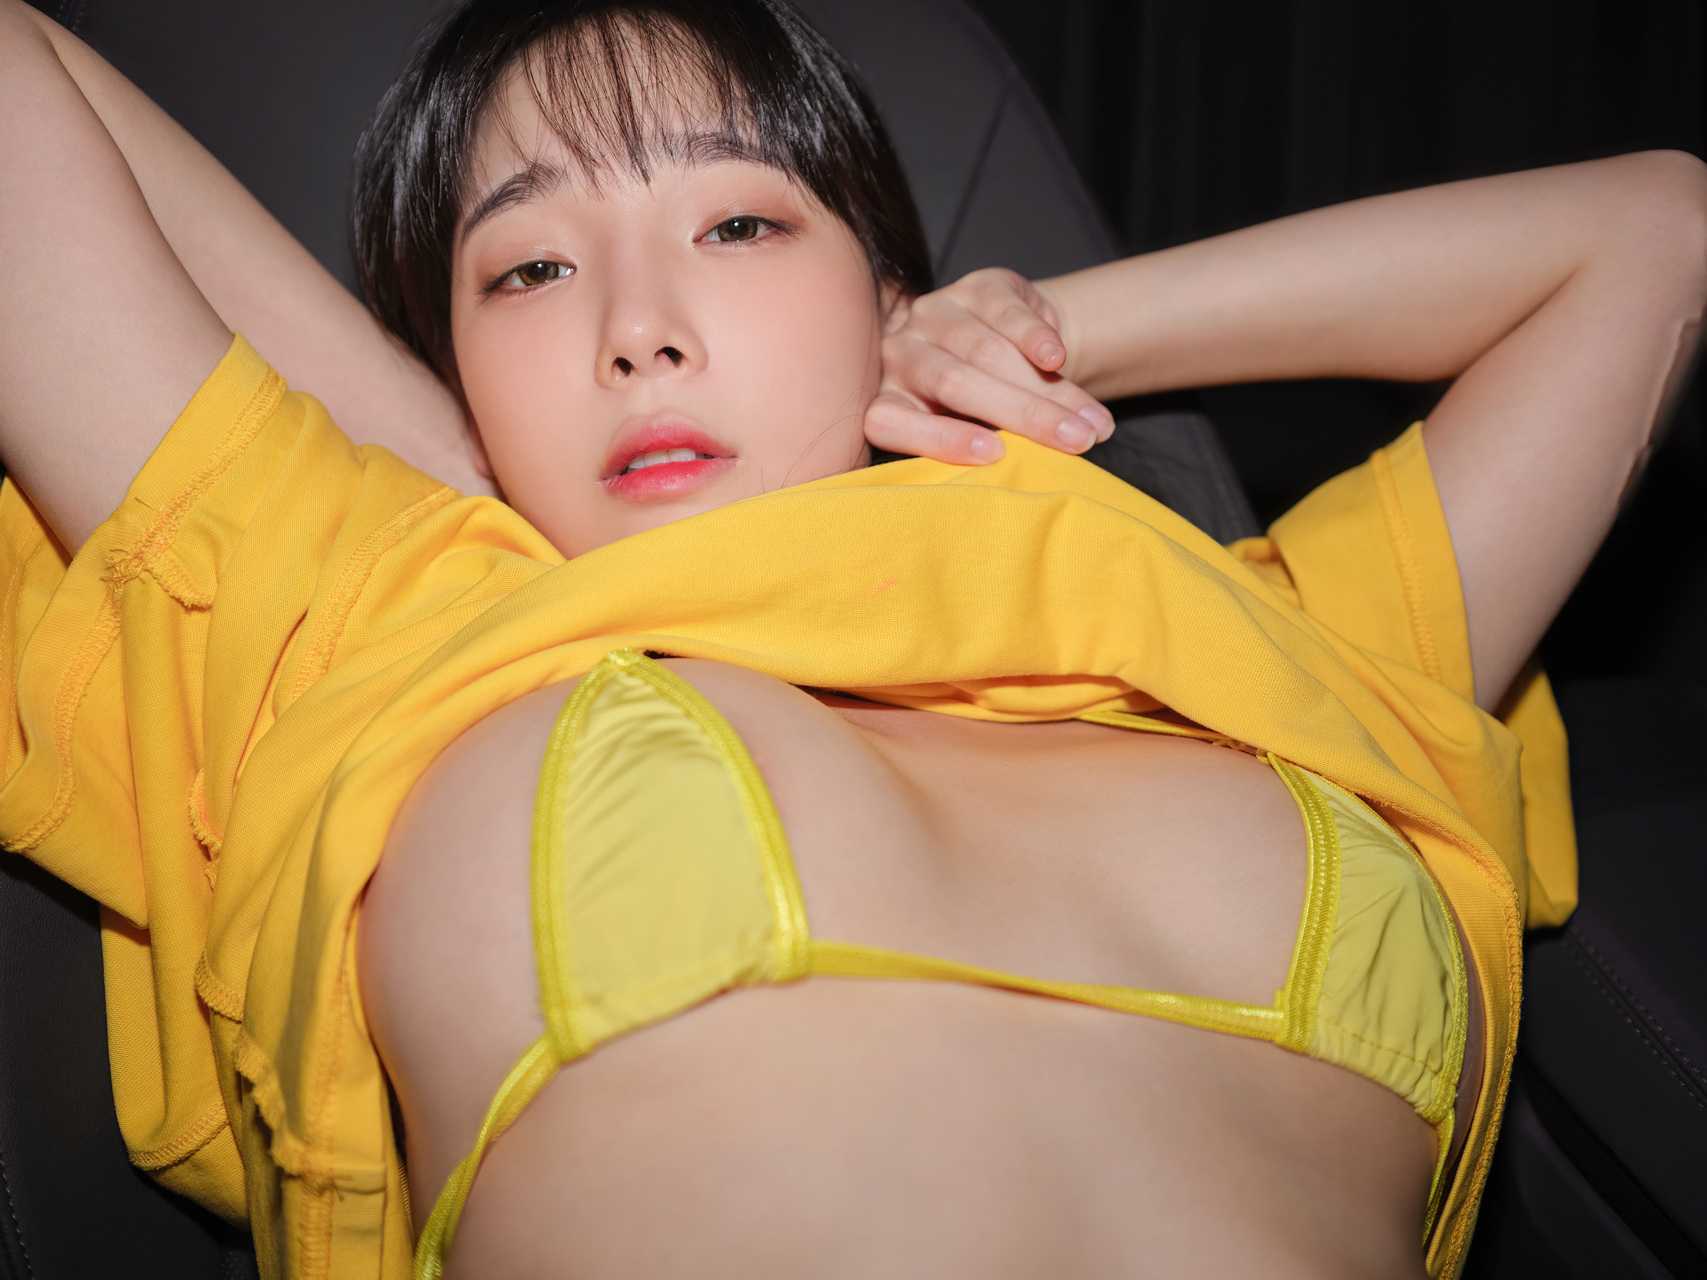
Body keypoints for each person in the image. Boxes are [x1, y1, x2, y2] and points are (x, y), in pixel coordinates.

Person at [0, 0, 1699, 1276]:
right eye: (527, 270)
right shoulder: (410, 617)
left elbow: (1654, 234)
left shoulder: (1247, 634)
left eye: (740, 225)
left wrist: (1034, 331)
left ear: (883, 290)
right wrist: (461, 455)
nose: (639, 329)